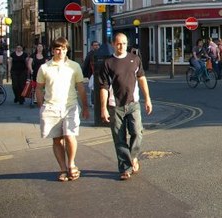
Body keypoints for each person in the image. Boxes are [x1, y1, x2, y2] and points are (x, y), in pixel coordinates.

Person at [35, 37, 90, 182]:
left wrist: (85, 106)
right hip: (51, 107)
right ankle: (62, 169)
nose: (60, 52)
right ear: (53, 50)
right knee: (57, 140)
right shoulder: (44, 68)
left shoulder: (74, 66)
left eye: (64, 49)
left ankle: (71, 164)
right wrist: (41, 106)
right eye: (58, 49)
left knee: (70, 136)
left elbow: (80, 87)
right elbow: (39, 88)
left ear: (67, 50)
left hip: (70, 106)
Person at [98, 32, 152, 181]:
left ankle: (132, 157)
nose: (121, 46)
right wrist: (103, 108)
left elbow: (142, 78)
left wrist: (147, 99)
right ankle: (125, 168)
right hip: (115, 105)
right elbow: (103, 87)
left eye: (124, 43)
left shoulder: (134, 59)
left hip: (133, 103)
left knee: (137, 133)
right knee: (119, 138)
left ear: (127, 44)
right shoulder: (107, 63)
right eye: (118, 43)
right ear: (113, 44)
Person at [82, 41, 100, 107]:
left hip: (99, 74)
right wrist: (85, 74)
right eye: (95, 45)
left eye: (97, 45)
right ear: (92, 46)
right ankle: (92, 102)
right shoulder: (90, 54)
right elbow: (86, 64)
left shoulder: (101, 53)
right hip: (92, 73)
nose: (96, 46)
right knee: (93, 88)